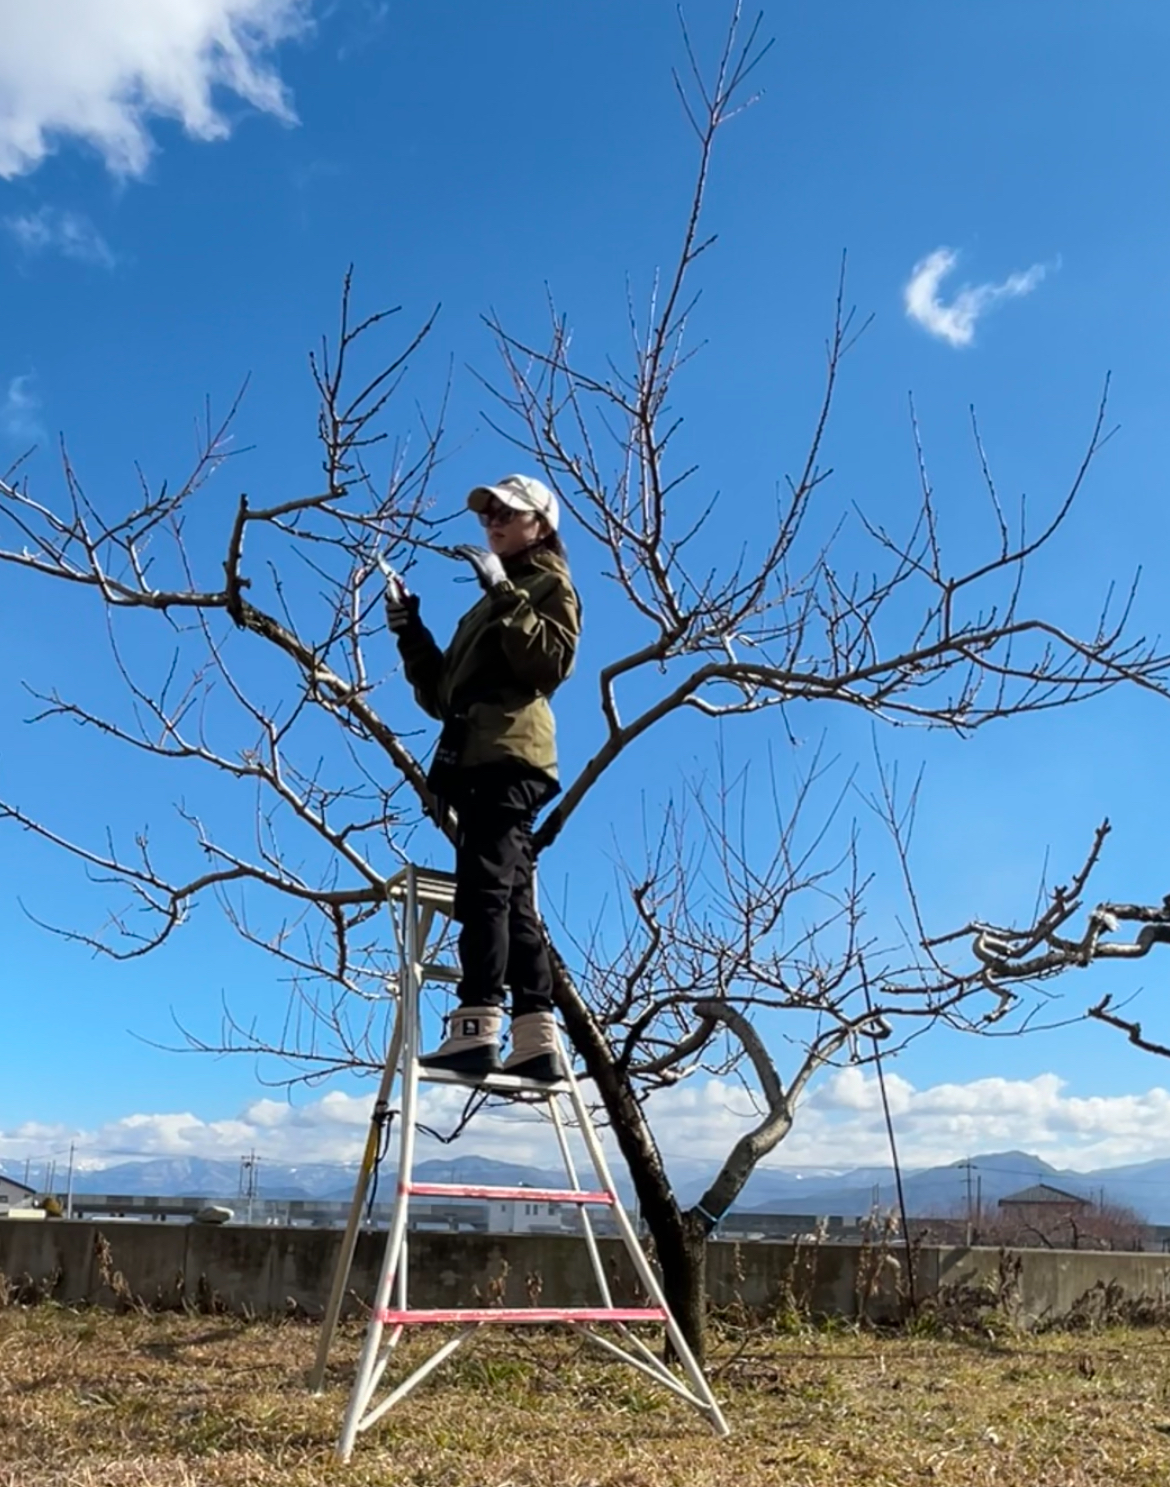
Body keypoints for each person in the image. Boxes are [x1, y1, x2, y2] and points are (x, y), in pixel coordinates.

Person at [384, 474, 581, 1083]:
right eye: (488, 513)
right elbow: (446, 694)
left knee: (485, 893)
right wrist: (409, 629)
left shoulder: (547, 585)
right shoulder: (494, 600)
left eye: (508, 512)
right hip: (478, 755)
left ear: (540, 525)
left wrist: (502, 594)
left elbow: (550, 663)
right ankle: (536, 1038)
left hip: (507, 757)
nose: (493, 521)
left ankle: (476, 1026)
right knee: (513, 898)